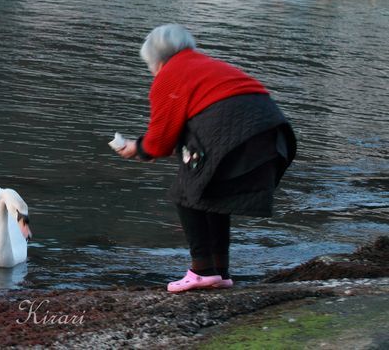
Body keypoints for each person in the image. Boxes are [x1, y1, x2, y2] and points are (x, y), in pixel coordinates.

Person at [115, 24, 296, 293]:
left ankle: (201, 271)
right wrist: (157, 147)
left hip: (235, 131)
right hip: (272, 131)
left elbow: (161, 138)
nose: (151, 72)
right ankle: (219, 271)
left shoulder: (171, 74)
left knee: (186, 194)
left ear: (157, 59)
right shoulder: (209, 65)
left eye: (149, 65)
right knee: (211, 198)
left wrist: (138, 148)